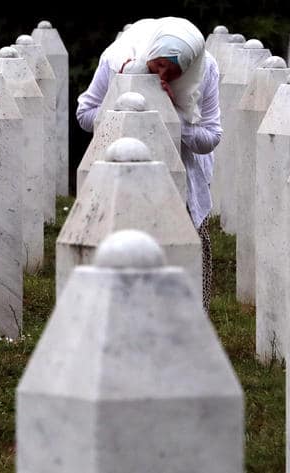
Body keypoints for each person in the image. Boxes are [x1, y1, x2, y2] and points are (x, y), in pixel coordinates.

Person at [77, 17, 221, 309]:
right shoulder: (117, 60)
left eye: (174, 69)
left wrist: (174, 115)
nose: (163, 74)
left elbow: (211, 136)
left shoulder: (205, 69)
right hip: (123, 172)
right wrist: (121, 103)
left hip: (181, 177)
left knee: (179, 270)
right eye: (159, 63)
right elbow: (85, 114)